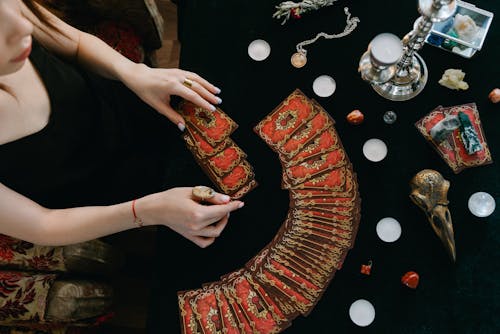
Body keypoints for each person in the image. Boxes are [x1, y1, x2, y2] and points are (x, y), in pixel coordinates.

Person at [0, 0, 244, 249]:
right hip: (104, 196)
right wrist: (148, 211)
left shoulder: (12, 18)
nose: (23, 26)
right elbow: (44, 225)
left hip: (120, 105)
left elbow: (75, 44)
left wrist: (133, 71)